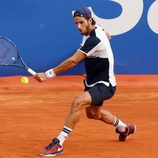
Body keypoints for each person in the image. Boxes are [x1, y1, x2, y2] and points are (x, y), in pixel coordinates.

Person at [35, 7, 136, 157]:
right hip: (92, 82)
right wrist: (106, 34)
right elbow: (104, 33)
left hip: (105, 85)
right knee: (94, 114)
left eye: (81, 23)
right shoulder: (93, 27)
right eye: (76, 24)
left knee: (78, 101)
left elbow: (73, 60)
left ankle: (58, 143)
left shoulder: (94, 40)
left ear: (90, 20)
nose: (79, 27)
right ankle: (124, 128)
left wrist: (48, 74)